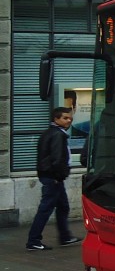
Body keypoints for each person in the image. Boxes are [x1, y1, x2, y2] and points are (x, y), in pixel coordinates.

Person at [26, 107, 81, 251]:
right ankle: (34, 240)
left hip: (51, 176)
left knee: (63, 207)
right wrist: (58, 176)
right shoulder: (57, 135)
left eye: (70, 118)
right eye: (65, 118)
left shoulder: (50, 132)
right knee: (45, 209)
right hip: (53, 177)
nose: (68, 120)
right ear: (56, 119)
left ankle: (65, 237)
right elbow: (57, 158)